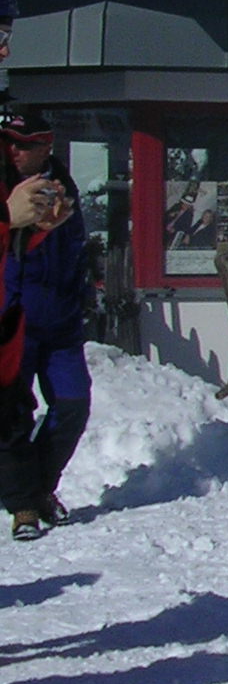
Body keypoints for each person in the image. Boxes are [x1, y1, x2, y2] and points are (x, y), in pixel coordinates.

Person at [0, 106, 92, 542]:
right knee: (14, 417)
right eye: (10, 143)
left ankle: (38, 489)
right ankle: (23, 505)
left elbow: (76, 247)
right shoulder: (7, 189)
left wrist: (84, 297)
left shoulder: (63, 184)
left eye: (24, 145)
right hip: (15, 320)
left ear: (45, 147)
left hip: (61, 322)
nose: (14, 152)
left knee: (72, 406)